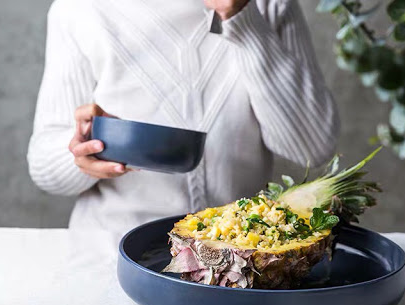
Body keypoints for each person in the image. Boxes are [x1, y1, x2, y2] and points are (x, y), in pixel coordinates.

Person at [28, 0, 339, 238]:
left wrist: (245, 21)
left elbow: (313, 148)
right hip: (110, 252)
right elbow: (44, 167)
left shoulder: (270, 4)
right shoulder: (79, 9)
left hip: (241, 254)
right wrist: (85, 150)